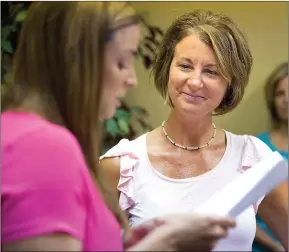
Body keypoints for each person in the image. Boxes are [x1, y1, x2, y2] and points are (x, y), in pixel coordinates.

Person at [1, 2, 236, 252]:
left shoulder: (24, 135)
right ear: (76, 61)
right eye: (121, 63)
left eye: (211, 71)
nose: (132, 80)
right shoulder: (44, 147)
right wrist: (164, 245)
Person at [101, 9, 288, 251]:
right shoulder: (122, 166)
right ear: (168, 68)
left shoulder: (252, 158)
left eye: (211, 71)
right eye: (185, 66)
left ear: (229, 83)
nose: (195, 81)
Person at [253, 62, 288, 252]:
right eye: (280, 93)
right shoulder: (257, 147)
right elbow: (243, 214)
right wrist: (277, 247)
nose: (287, 100)